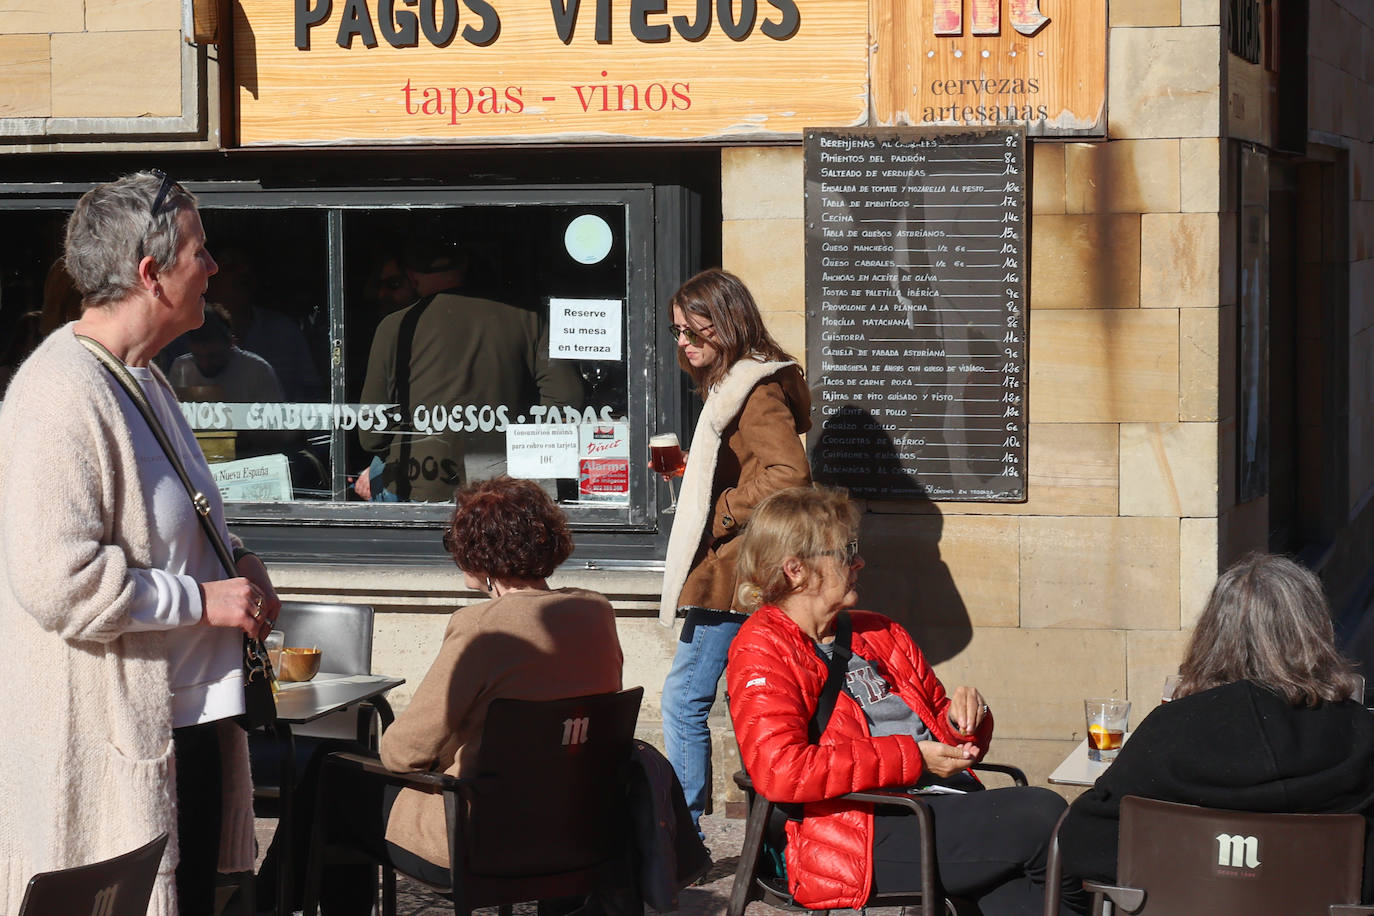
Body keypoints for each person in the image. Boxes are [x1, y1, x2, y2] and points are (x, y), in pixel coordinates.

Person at [0, 171, 282, 916]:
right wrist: (204, 599)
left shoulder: (141, 377)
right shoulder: (58, 392)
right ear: (152, 275)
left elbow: (171, 521)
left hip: (181, 726)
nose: (215, 267)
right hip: (109, 738)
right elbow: (55, 579)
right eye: (201, 251)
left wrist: (238, 558)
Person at [727, 486, 1075, 914]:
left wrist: (964, 721)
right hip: (855, 832)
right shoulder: (762, 647)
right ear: (795, 570)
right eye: (845, 551)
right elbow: (782, 770)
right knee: (1043, 815)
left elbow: (942, 729)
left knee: (1020, 887)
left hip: (934, 804)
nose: (859, 561)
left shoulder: (880, 632)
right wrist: (914, 757)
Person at [285, 476, 623, 913]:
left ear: (480, 551)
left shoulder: (483, 626)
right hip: (573, 828)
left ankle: (271, 901)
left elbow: (404, 751)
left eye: (455, 538)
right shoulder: (595, 612)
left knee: (327, 776)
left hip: (478, 835)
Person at [1058, 552, 1374, 903]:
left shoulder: (1171, 729)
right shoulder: (1360, 733)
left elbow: (1082, 841)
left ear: (1213, 634)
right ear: (1315, 632)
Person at [657, 267, 812, 837]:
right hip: (747, 567)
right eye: (677, 333)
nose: (683, 344)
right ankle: (769, 831)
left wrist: (721, 510)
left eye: (693, 332)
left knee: (684, 697)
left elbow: (788, 472)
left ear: (726, 322)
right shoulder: (741, 383)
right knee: (755, 697)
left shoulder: (754, 388)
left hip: (737, 571)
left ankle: (684, 832)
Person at [355, 239, 583, 501]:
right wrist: (522, 449)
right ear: (464, 264)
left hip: (420, 485)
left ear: (411, 275)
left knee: (372, 475)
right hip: (501, 489)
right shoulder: (527, 317)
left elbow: (371, 435)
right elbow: (566, 396)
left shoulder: (395, 326)